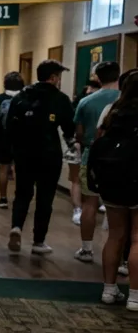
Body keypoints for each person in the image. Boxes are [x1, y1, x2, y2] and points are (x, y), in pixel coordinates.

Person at [6, 59, 74, 254]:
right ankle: (38, 241)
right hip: (49, 154)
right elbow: (69, 128)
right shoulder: (60, 99)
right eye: (59, 77)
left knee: (22, 193)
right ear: (53, 78)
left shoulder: (20, 97)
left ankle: (16, 226)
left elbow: (9, 126)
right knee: (45, 198)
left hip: (24, 154)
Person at [86, 71, 138, 307]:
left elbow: (99, 139)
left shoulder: (111, 110)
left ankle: (109, 290)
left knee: (115, 235)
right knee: (137, 238)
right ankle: (135, 296)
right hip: (136, 179)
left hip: (112, 179)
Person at [73, 62, 120, 263]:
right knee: (118, 207)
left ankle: (86, 248)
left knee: (89, 204)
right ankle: (119, 255)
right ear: (118, 76)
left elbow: (80, 133)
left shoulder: (86, 101)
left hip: (91, 157)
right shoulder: (125, 101)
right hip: (121, 160)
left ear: (98, 78)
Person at [0, 71, 25, 209]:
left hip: (3, 138)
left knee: (3, 167)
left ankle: (3, 198)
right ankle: (20, 198)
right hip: (21, 138)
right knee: (20, 169)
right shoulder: (25, 98)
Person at [68, 78, 100, 225]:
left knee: (77, 180)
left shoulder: (81, 102)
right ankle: (83, 208)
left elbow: (75, 127)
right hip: (88, 145)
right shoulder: (101, 102)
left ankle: (78, 209)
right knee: (82, 179)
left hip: (78, 145)